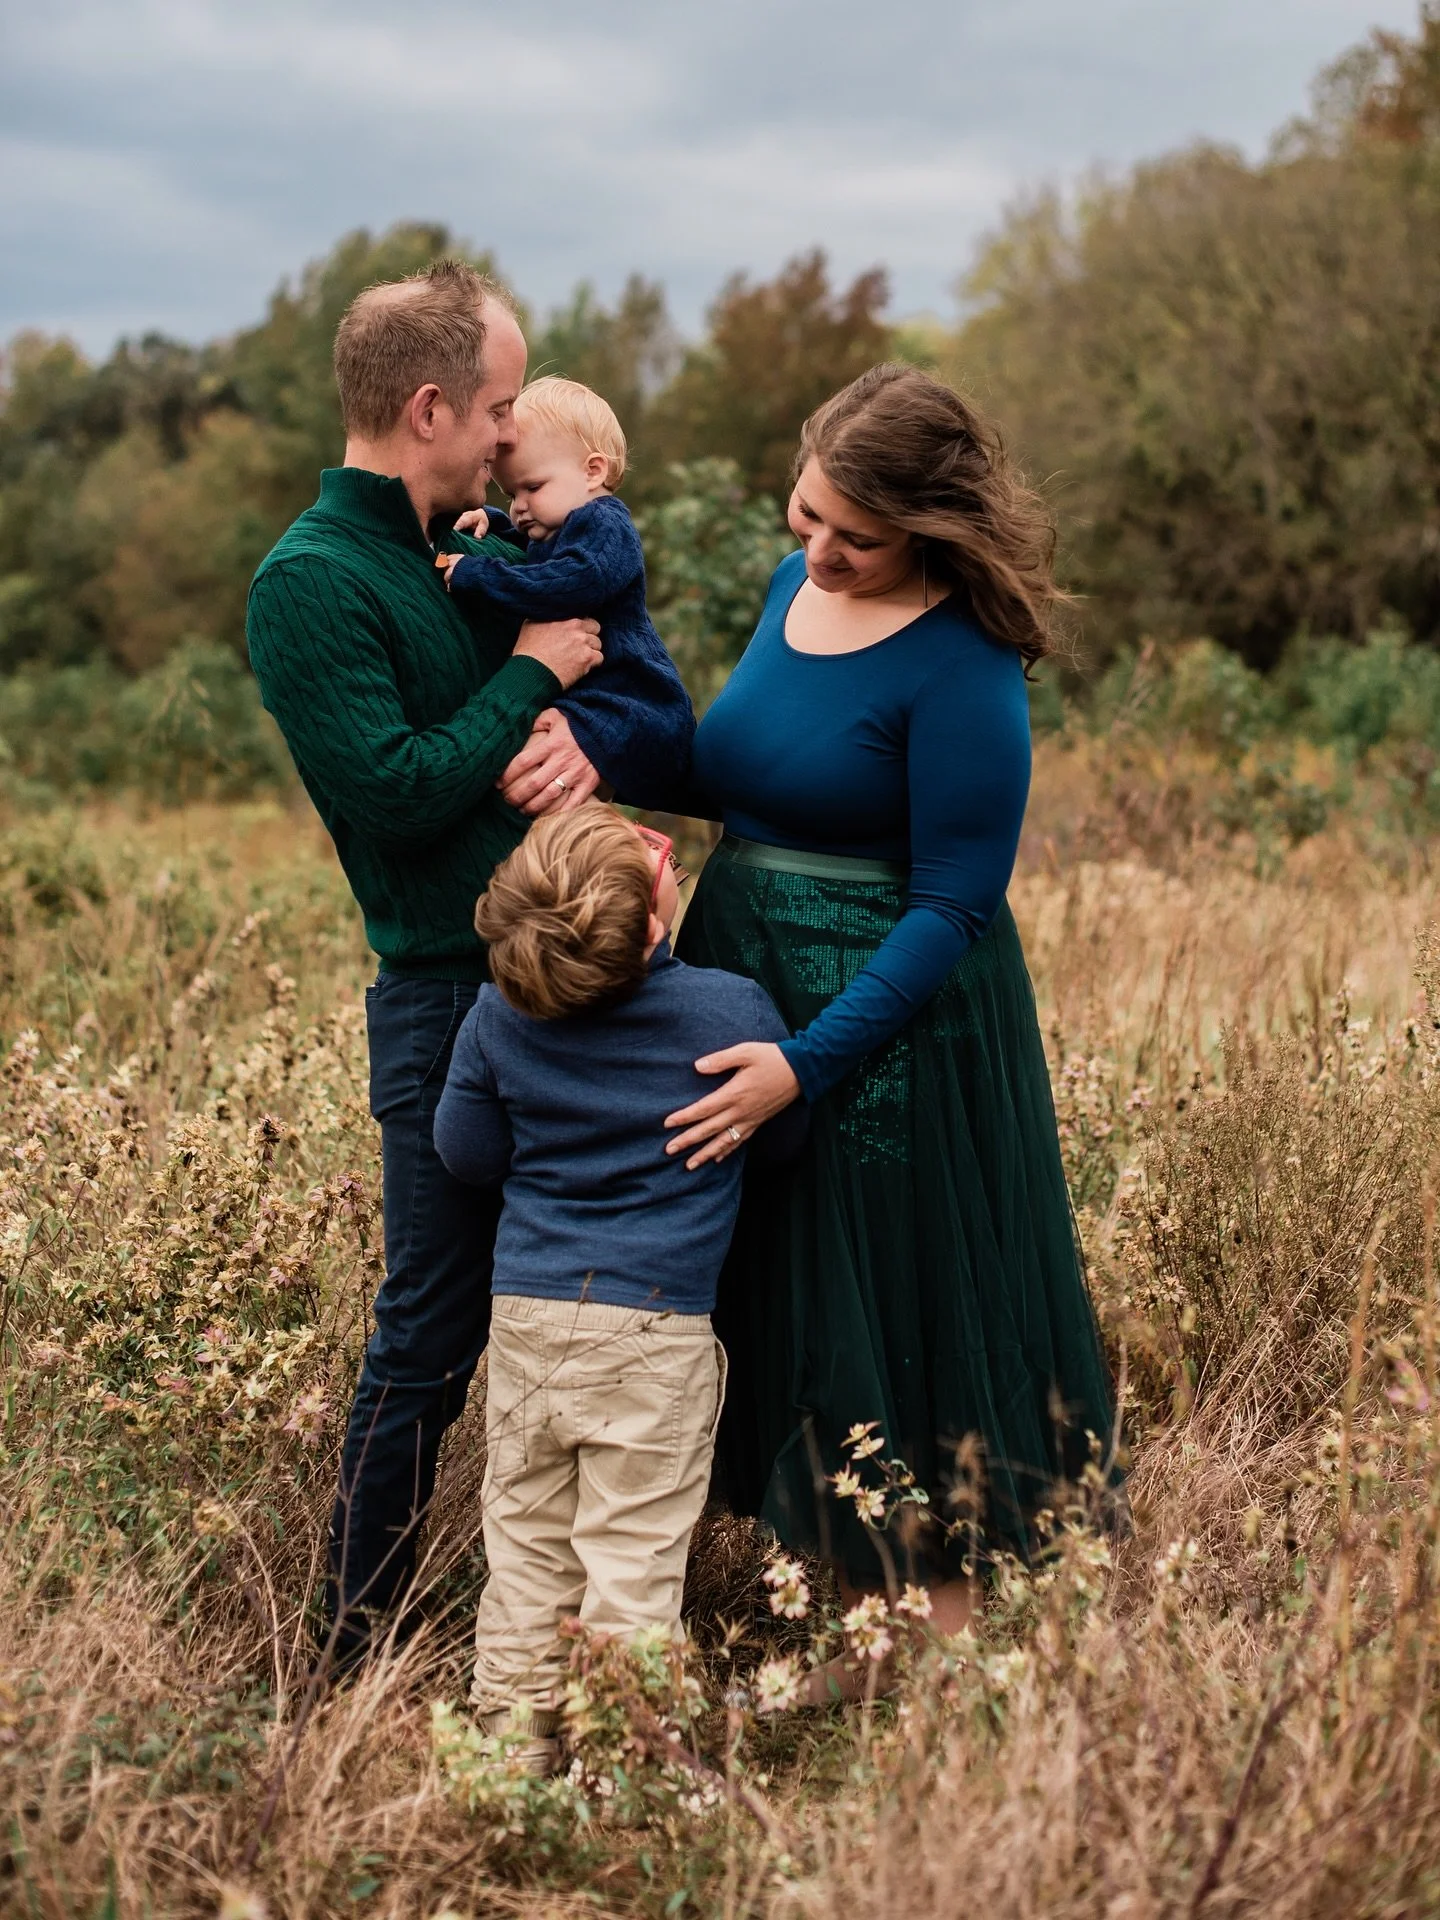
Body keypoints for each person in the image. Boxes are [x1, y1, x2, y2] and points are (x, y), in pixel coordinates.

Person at [245, 260, 684, 1666]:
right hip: (451, 999)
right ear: (428, 406)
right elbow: (399, 789)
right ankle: (347, 1647)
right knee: (431, 1333)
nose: (512, 433)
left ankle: (618, 1623)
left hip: (603, 978)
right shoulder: (313, 582)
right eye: (497, 407)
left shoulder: (489, 547)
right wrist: (535, 674)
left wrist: (597, 733)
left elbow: (639, 696)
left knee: (642, 1309)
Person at [662, 364, 1120, 1695]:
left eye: (852, 536)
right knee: (797, 1298)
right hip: (750, 987)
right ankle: (839, 1614)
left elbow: (955, 905)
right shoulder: (793, 589)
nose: (818, 550)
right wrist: (591, 750)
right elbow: (741, 770)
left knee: (899, 1308)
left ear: (930, 526)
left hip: (889, 1032)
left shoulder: (963, 663)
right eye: (805, 516)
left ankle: (929, 1651)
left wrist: (806, 1068)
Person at [432, 803, 805, 1773]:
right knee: (632, 1564)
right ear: (650, 924)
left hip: (526, 1321)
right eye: (653, 861)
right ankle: (621, 1773)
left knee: (524, 1555)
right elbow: (785, 1144)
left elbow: (464, 1155)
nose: (662, 848)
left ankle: (511, 1763)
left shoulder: (499, 1012)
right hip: (656, 1331)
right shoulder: (730, 1013)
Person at [436, 375, 694, 811]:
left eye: (532, 488)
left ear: (593, 471)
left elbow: (567, 584)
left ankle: (643, 870)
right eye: (509, 493)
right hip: (597, 705)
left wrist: (476, 574)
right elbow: (537, 553)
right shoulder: (559, 525)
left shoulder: (604, 523)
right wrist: (494, 521)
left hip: (636, 704)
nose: (519, 505)